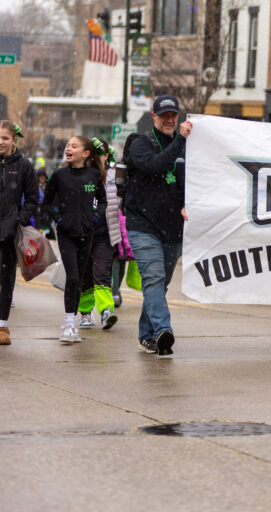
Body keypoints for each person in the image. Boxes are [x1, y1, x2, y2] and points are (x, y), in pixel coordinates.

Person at [125, 95, 191, 355]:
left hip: (173, 228)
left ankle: (147, 335)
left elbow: (195, 180)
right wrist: (181, 141)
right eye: (164, 116)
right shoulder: (140, 144)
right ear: (153, 117)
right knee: (153, 279)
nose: (169, 120)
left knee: (159, 285)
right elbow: (155, 165)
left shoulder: (186, 146)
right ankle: (164, 330)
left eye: (173, 115)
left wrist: (190, 203)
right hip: (143, 226)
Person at [42, 136, 106, 343]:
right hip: (67, 234)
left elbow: (103, 201)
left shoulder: (94, 175)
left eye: (74, 146)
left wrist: (95, 217)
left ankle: (74, 324)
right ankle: (68, 325)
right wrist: (58, 220)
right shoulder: (59, 175)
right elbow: (47, 203)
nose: (68, 148)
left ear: (86, 154)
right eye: (68, 146)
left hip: (87, 234)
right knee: (74, 278)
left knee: (79, 280)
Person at [0, 121, 38, 345]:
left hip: (9, 232)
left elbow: (33, 199)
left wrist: (19, 221)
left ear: (14, 140)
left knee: (6, 279)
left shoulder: (24, 166)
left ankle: (2, 326)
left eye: (5, 138)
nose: (0, 142)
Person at [77, 139, 121, 330]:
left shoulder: (114, 176)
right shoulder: (77, 175)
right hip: (82, 235)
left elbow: (124, 199)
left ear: (107, 155)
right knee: (85, 276)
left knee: (102, 274)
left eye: (102, 152)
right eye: (95, 152)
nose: (98, 156)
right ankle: (85, 313)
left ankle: (106, 311)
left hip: (106, 234)